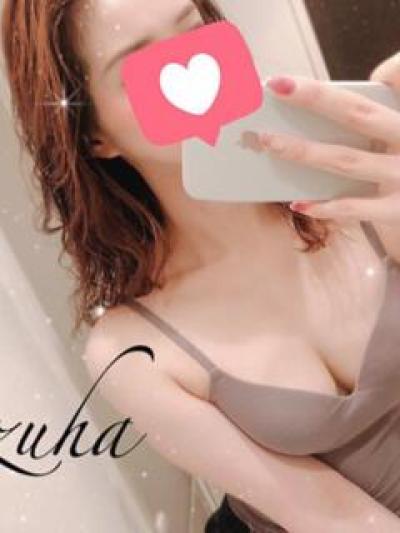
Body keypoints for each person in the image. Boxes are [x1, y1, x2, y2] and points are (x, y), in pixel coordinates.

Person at [2, 1, 400, 531]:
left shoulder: (370, 189)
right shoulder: (132, 351)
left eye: (194, 32)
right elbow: (330, 518)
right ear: (95, 133)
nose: (194, 67)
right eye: (140, 67)